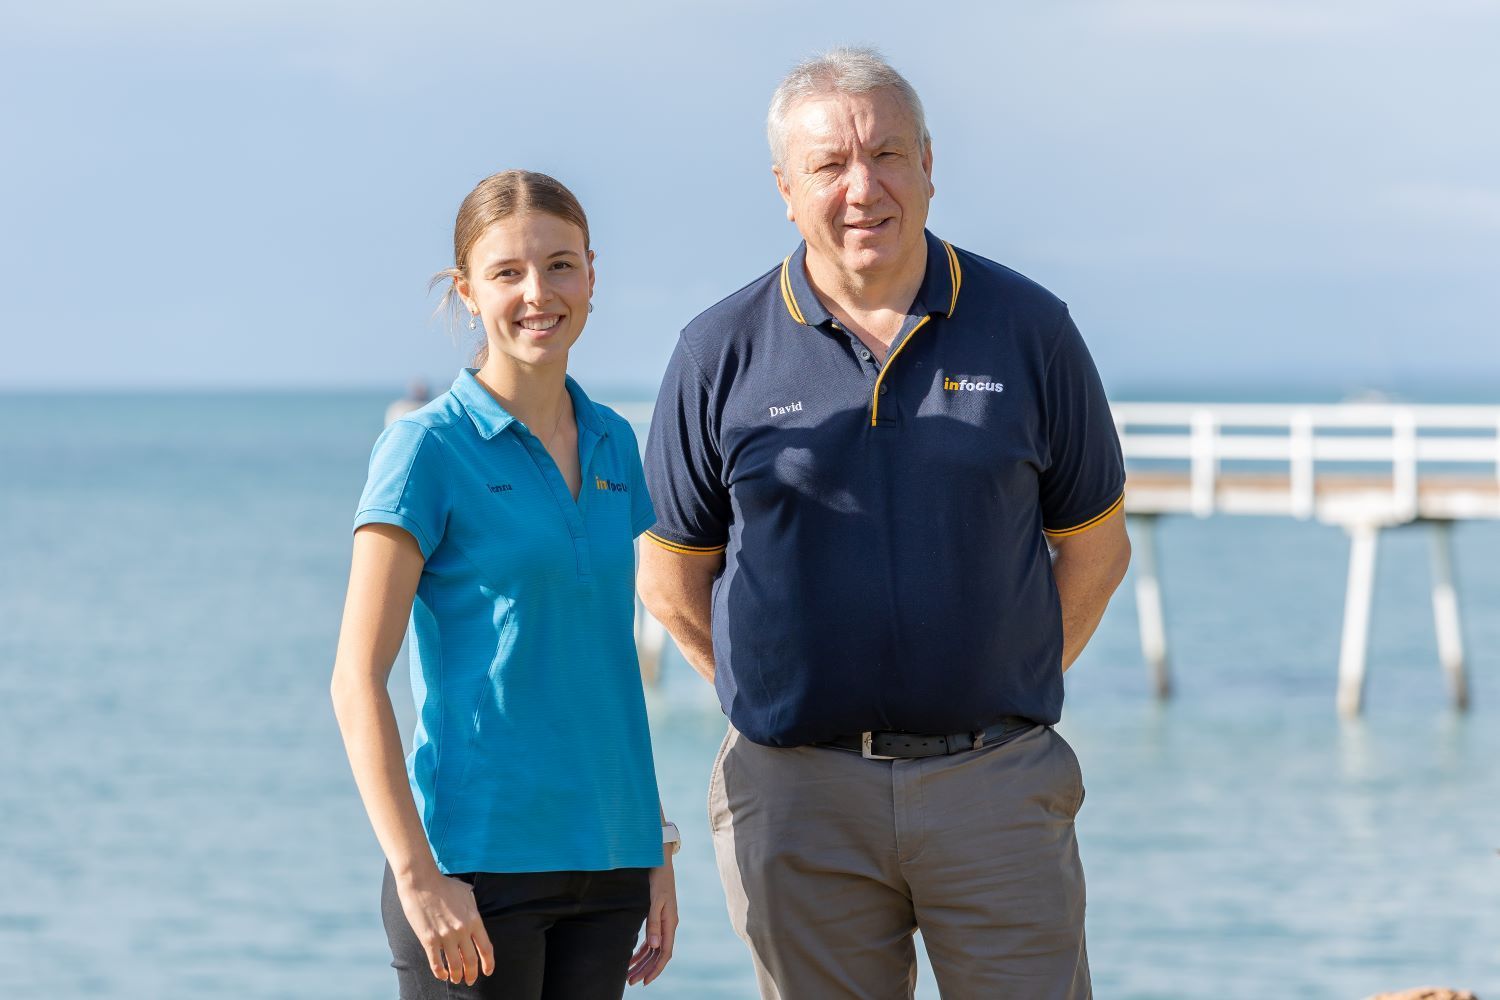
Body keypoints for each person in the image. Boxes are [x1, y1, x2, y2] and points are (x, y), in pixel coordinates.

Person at [638, 48, 1130, 999]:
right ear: (786, 189)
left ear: (931, 165)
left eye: (888, 154)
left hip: (997, 788)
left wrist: (995, 688)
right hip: (796, 798)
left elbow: (1096, 551)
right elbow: (671, 578)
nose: (863, 187)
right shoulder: (717, 351)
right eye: (829, 165)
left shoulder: (1032, 330)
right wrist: (772, 699)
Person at [331, 170, 679, 999]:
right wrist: (418, 878)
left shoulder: (613, 445)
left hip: (610, 863)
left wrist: (654, 841)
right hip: (475, 872)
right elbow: (356, 683)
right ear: (467, 291)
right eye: (508, 273)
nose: (538, 294)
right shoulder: (425, 451)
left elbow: (603, 667)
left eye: (560, 266)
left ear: (592, 274)